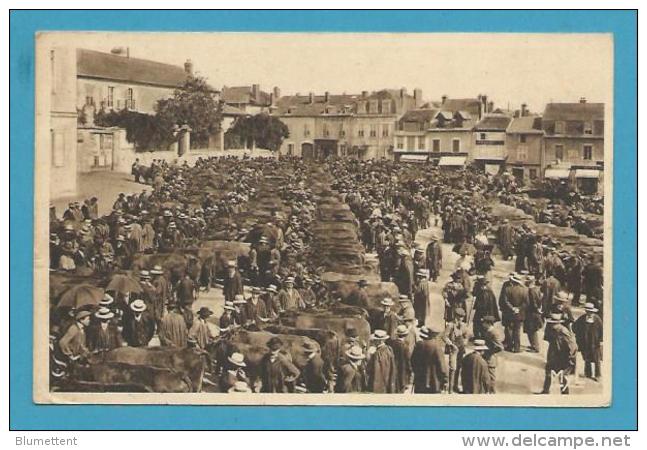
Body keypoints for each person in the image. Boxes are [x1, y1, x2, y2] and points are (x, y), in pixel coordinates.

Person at [540, 313, 578, 394]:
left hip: (563, 357)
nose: (550, 325)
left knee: (563, 375)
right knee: (549, 371)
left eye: (552, 323)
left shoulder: (563, 331)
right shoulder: (553, 330)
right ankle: (546, 390)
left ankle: (565, 393)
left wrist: (570, 357)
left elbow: (572, 345)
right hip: (554, 355)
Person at [411, 326, 448, 394]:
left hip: (419, 381)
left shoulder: (418, 345)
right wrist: (445, 379)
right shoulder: (436, 347)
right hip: (434, 382)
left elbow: (413, 362)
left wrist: (417, 372)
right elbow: (442, 366)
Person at [573, 303, 603, 381]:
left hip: (595, 342)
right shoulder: (582, 318)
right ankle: (588, 373)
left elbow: (601, 330)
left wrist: (600, 340)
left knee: (597, 359)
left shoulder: (597, 319)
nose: (589, 313)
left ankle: (598, 375)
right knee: (587, 358)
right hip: (585, 342)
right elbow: (575, 327)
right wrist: (579, 336)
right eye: (588, 311)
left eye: (591, 311)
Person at [499, 273, 528, 353]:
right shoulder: (525, 290)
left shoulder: (507, 289)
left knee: (509, 329)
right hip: (519, 314)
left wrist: (512, 308)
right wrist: (519, 309)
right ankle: (517, 348)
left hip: (509, 313)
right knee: (517, 331)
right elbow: (526, 302)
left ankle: (509, 345)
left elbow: (505, 301)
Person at [444, 307, 469, 393]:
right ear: (455, 316)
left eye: (462, 317)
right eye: (459, 317)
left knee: (459, 368)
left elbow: (466, 336)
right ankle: (450, 389)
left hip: (461, 349)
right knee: (453, 368)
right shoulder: (450, 325)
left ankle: (455, 386)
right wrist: (451, 344)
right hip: (453, 349)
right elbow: (444, 337)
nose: (460, 319)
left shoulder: (464, 326)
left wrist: (465, 342)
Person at [481, 316, 504, 393]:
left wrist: (490, 352)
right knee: (486, 376)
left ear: (488, 323)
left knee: (491, 377)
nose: (482, 324)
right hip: (486, 357)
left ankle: (492, 393)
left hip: (490, 358)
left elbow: (500, 347)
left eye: (484, 322)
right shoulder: (488, 331)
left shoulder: (493, 332)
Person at [390, 324, 413, 393]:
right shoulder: (405, 346)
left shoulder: (392, 343)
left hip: (393, 368)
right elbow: (408, 360)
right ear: (405, 335)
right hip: (402, 370)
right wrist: (410, 370)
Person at [524, 275, 544, 353]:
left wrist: (536, 309)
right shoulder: (537, 289)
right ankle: (533, 345)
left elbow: (533, 303)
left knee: (531, 330)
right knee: (532, 330)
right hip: (536, 313)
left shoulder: (530, 291)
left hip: (531, 313)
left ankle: (535, 347)